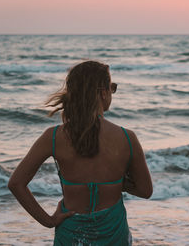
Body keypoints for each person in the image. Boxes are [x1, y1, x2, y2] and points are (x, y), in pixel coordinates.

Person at [8, 60, 153, 245]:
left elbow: (16, 183)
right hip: (114, 233)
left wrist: (48, 221)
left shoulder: (53, 137)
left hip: (72, 234)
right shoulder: (126, 138)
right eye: (112, 87)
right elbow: (145, 190)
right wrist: (115, 184)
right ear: (102, 93)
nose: (113, 92)